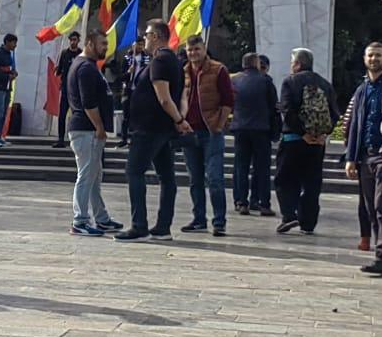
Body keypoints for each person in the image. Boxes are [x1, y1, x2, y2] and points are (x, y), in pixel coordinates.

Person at [116, 20, 189, 242]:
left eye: (146, 34)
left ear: (156, 36)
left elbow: (164, 98)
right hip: (162, 128)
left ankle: (139, 226)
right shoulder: (175, 61)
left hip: (150, 128)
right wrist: (180, 118)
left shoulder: (159, 60)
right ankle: (163, 227)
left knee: (135, 172)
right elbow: (182, 95)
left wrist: (178, 119)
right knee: (166, 176)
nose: (144, 38)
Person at [343, 42, 382, 269]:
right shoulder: (362, 89)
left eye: (378, 55)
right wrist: (351, 157)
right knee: (371, 207)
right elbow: (356, 124)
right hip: (365, 156)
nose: (374, 59)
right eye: (370, 55)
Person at [274, 49, 336, 235]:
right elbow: (334, 113)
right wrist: (323, 133)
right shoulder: (325, 84)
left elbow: (287, 109)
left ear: (298, 64)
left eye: (292, 62)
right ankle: (308, 223)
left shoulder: (290, 82)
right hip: (317, 144)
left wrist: (302, 133)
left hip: (293, 140)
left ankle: (289, 215)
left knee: (284, 179)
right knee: (312, 182)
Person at [180, 35, 234, 236]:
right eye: (190, 50)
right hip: (189, 132)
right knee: (195, 179)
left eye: (197, 49)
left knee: (215, 178)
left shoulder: (218, 70)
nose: (193, 53)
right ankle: (199, 219)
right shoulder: (183, 71)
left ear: (204, 49)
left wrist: (219, 124)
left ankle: (219, 221)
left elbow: (228, 100)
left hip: (211, 131)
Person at [66, 30, 118, 235]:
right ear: (89, 44)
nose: (105, 47)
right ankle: (80, 221)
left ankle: (101, 218)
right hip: (86, 130)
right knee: (86, 175)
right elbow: (88, 103)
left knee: (95, 175)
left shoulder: (88, 66)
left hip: (89, 130)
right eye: (102, 44)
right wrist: (99, 126)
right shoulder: (85, 68)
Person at [231, 52, 279, 217]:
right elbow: (274, 108)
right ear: (256, 63)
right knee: (262, 168)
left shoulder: (235, 80)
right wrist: (275, 131)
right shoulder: (265, 81)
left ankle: (241, 202)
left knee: (241, 166)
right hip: (260, 129)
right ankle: (263, 203)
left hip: (240, 128)